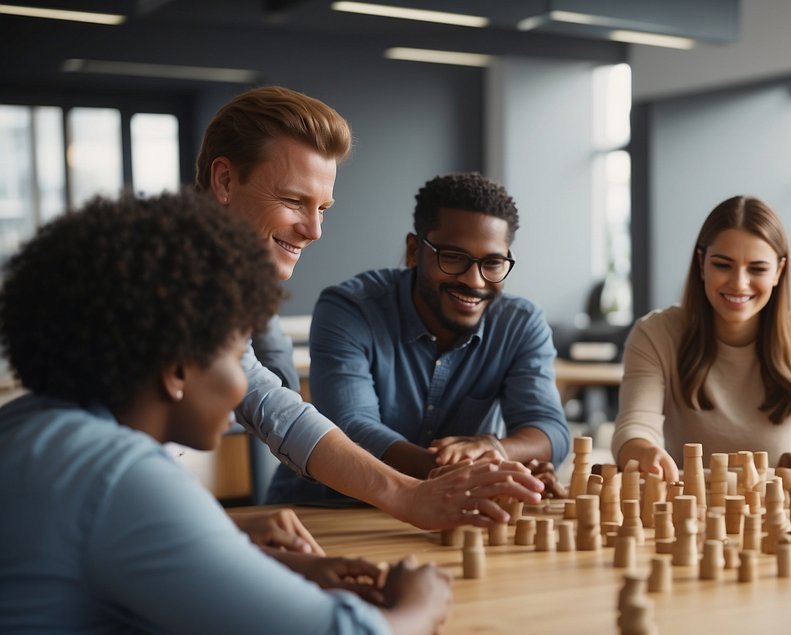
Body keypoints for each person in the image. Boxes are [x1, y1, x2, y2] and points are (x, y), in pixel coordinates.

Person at [0, 192, 455, 635]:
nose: (244, 385)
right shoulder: (121, 478)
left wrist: (286, 569)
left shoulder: (27, 429)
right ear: (177, 369)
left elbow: (107, 569)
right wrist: (421, 602)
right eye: (236, 352)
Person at [197, 85, 541, 526]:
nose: (315, 230)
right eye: (293, 200)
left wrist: (249, 528)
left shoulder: (230, 288)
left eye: (323, 207)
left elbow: (276, 405)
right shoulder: (179, 290)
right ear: (225, 180)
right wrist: (414, 493)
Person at [266, 173, 570, 504]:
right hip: (324, 513)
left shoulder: (521, 324)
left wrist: (495, 449)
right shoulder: (350, 309)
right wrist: (476, 475)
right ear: (413, 251)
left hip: (452, 514)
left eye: (493, 263)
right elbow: (353, 427)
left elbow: (548, 428)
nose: (474, 281)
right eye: (452, 257)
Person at [613, 195, 791, 483]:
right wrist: (643, 454)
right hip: (689, 514)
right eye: (723, 265)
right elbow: (634, 430)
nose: (739, 283)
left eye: (757, 268)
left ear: (779, 271)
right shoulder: (655, 334)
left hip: (784, 517)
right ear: (702, 263)